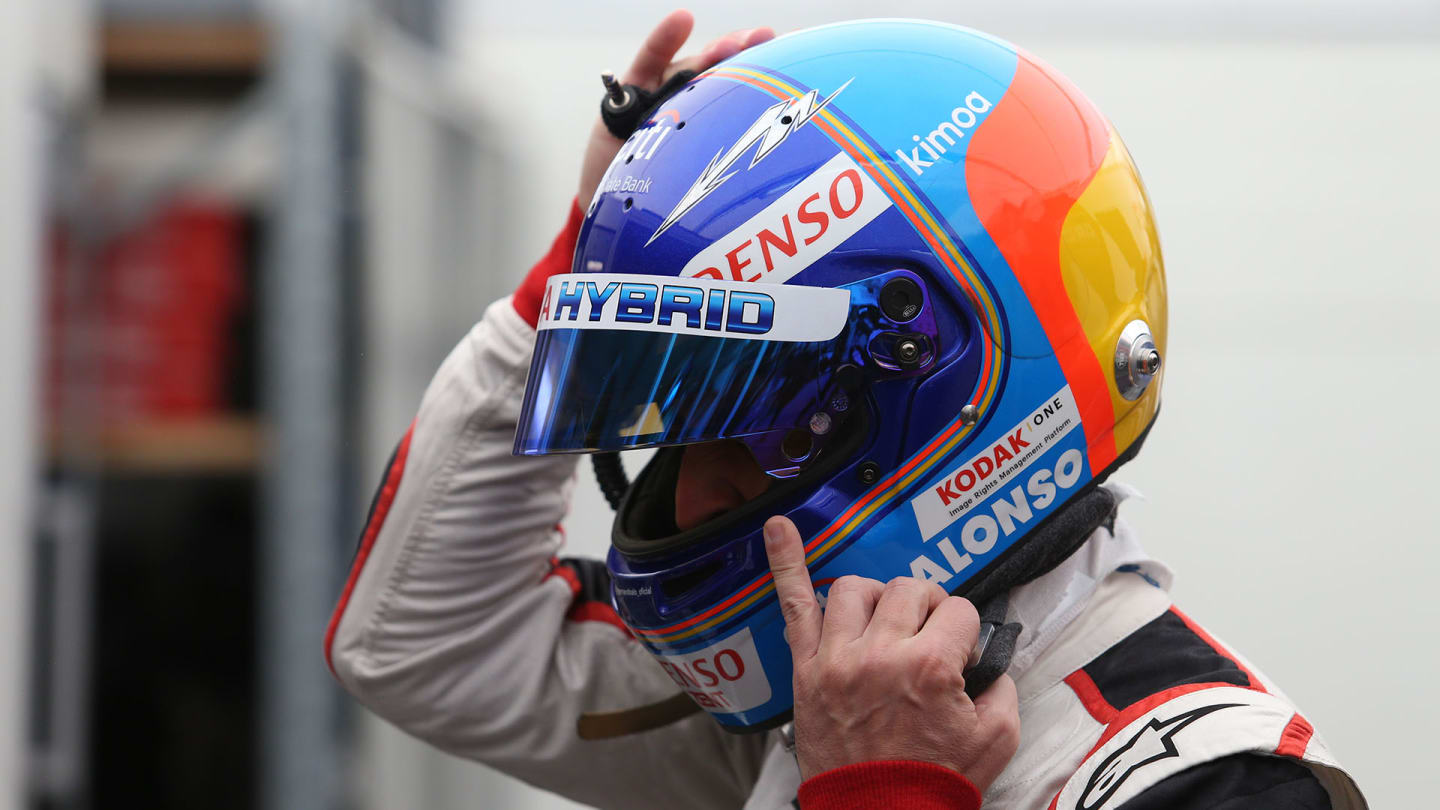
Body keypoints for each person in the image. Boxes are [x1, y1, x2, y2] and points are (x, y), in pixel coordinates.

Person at [325, 12, 1368, 809]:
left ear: (950, 392)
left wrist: (882, 790)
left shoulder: (1213, 777)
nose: (686, 495)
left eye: (751, 423)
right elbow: (425, 644)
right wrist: (586, 262)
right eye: (674, 426)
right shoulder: (798, 689)